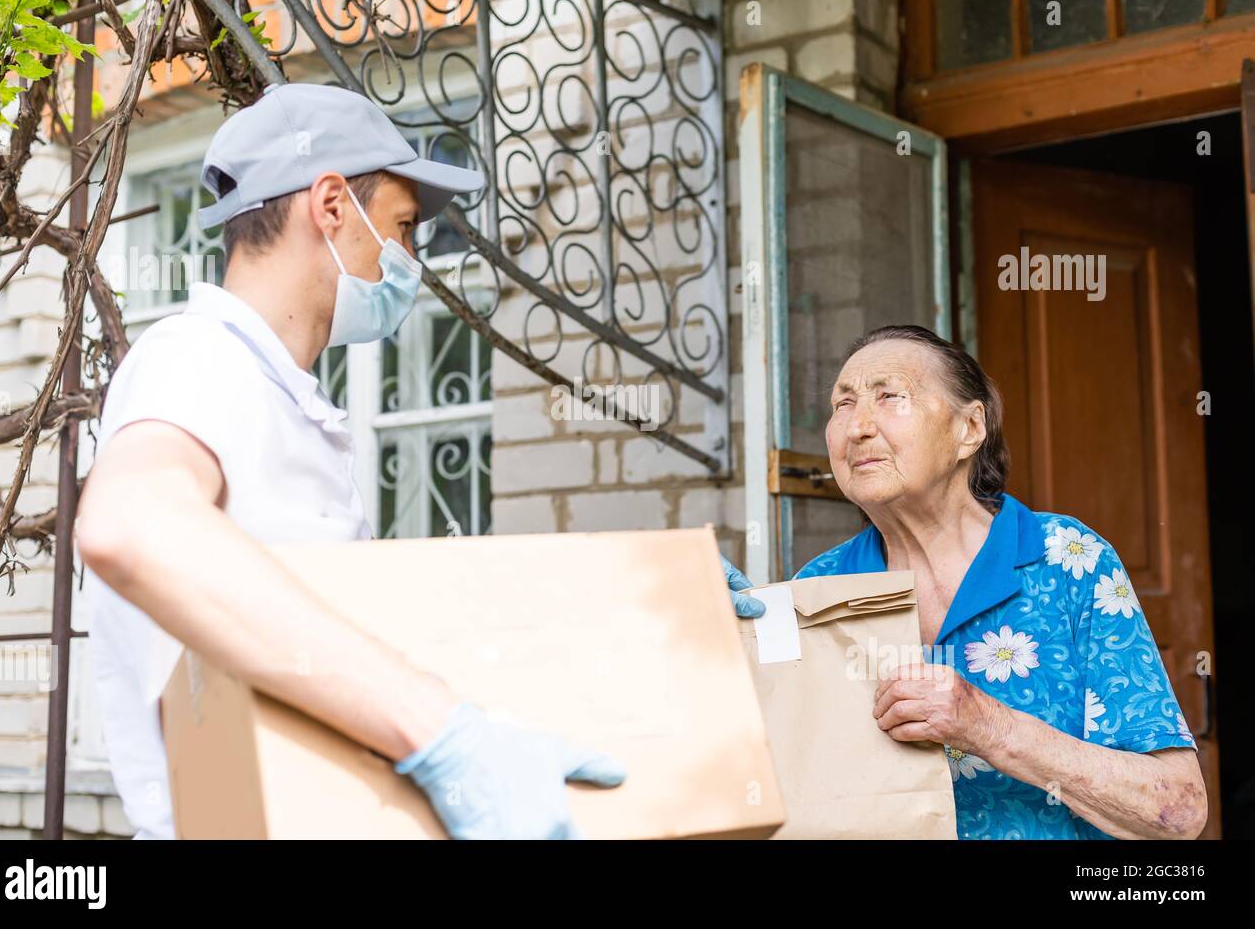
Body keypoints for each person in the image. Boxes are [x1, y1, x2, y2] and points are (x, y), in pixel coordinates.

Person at [76, 83, 627, 840]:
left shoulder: (280, 394)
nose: (410, 259)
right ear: (331, 205)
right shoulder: (197, 359)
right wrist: (439, 734)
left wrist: (627, 609)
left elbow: (330, 640)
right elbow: (129, 528)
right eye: (402, 227)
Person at [721, 324, 1207, 839]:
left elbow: (1178, 812)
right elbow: (769, 789)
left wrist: (987, 726)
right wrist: (718, 650)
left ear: (969, 429)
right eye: (842, 405)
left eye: (890, 396)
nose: (857, 427)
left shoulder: (1067, 559)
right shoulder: (817, 590)